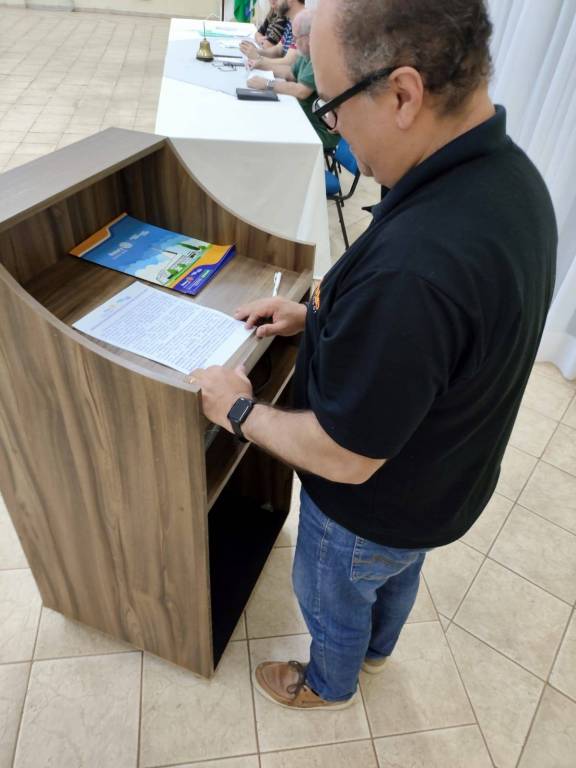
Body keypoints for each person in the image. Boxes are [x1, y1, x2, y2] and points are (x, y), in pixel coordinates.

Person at [191, 0, 557, 710]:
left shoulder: (418, 268)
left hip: (370, 506)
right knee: (394, 576)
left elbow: (344, 456)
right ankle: (379, 651)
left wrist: (237, 410)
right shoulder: (512, 181)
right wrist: (317, 319)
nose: (330, 123)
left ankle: (330, 682)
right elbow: (436, 348)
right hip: (440, 487)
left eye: (332, 102)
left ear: (403, 94)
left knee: (332, 593)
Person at [246, 10, 339, 150]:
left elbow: (301, 91)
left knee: (270, 133)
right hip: (303, 118)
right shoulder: (307, 52)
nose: (293, 43)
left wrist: (267, 84)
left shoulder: (321, 56)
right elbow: (290, 73)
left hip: (318, 130)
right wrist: (261, 65)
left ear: (310, 37)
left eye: (296, 38)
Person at [240, 0, 304, 64]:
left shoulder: (302, 23)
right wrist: (256, 51)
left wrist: (258, 57)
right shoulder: (291, 21)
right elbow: (278, 49)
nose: (276, 1)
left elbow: (289, 64)